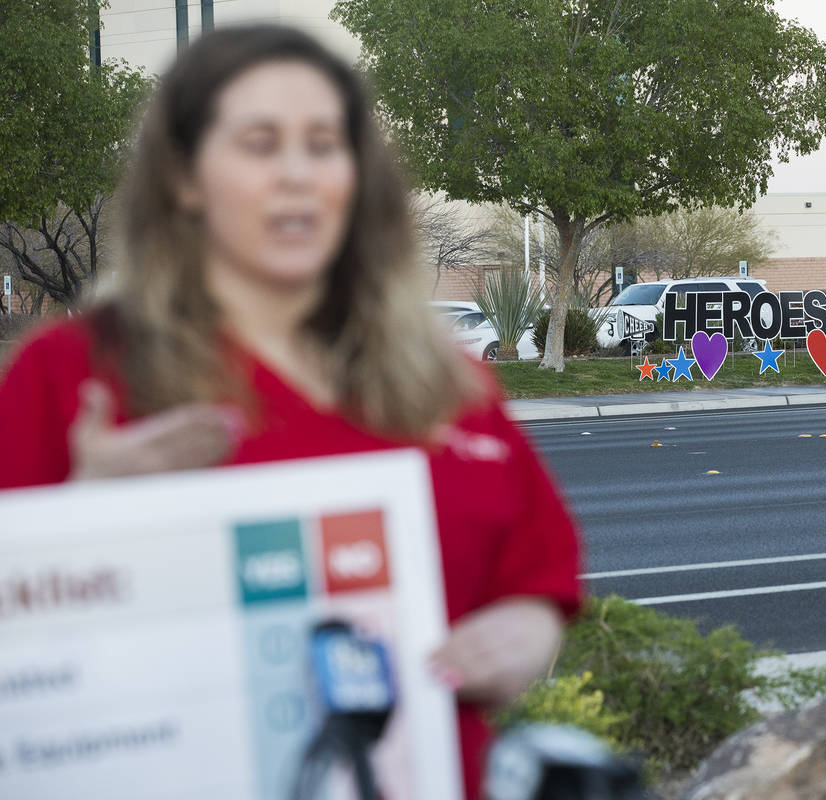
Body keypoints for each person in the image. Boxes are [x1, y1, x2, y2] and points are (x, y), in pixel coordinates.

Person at [0, 25, 581, 799]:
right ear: (183, 178)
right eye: (260, 144)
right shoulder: (77, 375)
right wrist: (80, 524)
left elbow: (538, 578)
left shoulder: (445, 381)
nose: (298, 175)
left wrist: (525, 634)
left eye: (324, 144)